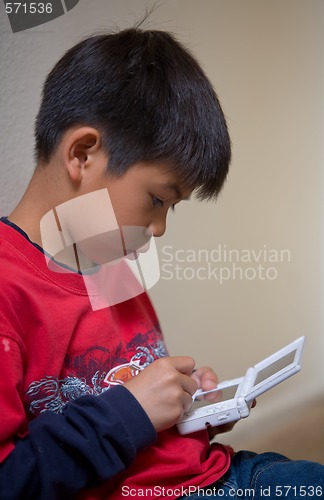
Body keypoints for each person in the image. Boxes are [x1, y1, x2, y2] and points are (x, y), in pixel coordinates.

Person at [0, 26, 322, 500]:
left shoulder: (111, 264)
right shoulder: (10, 288)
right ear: (83, 153)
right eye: (156, 199)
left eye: (170, 208)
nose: (160, 229)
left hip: (214, 475)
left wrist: (188, 410)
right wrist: (130, 412)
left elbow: (142, 413)